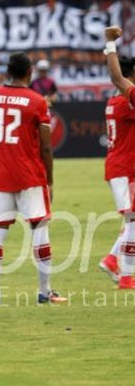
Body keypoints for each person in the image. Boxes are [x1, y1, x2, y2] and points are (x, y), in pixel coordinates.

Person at [0, 53, 66, 306]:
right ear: (30, 72)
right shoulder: (36, 101)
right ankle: (45, 291)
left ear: (8, 71)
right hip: (30, 174)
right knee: (40, 230)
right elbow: (45, 147)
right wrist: (50, 180)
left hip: (2, 175)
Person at [101, 26, 135, 288]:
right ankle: (125, 274)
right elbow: (118, 79)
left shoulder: (113, 103)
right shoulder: (127, 101)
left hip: (119, 166)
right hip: (126, 167)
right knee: (134, 221)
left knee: (132, 219)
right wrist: (110, 44)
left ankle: (114, 259)